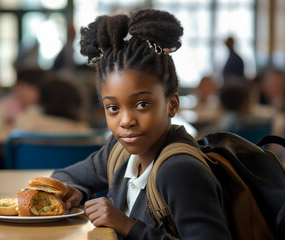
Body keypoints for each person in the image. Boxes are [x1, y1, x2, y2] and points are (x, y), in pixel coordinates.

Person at [50, 9, 232, 239]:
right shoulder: (118, 152)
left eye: (143, 104)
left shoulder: (180, 171)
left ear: (172, 104)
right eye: (113, 108)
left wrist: (127, 225)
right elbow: (63, 176)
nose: (126, 121)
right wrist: (74, 192)